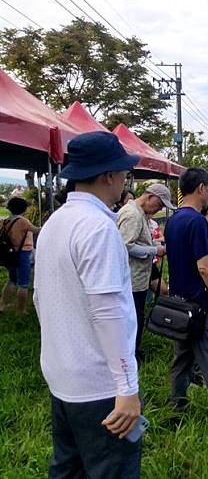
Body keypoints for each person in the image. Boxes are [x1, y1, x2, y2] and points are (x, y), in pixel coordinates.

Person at [33, 131, 142, 477]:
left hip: (62, 375)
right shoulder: (98, 228)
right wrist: (126, 388)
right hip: (100, 386)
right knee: (111, 468)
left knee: (68, 467)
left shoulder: (54, 223)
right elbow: (109, 312)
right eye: (124, 173)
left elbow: (40, 297)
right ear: (109, 175)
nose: (126, 180)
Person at [164, 168, 208, 425]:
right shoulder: (197, 222)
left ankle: (177, 410)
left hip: (178, 305)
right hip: (202, 306)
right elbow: (205, 267)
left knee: (182, 360)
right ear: (201, 189)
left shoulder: (173, 220)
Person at [117, 184, 174, 362]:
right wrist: (153, 250)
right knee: (133, 317)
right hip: (132, 278)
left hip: (139, 276)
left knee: (137, 315)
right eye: (159, 204)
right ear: (149, 197)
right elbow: (125, 245)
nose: (160, 208)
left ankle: (135, 351)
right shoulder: (133, 215)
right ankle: (130, 355)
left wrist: (153, 244)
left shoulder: (139, 213)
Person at [0, 197, 39, 315]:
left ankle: (1, 305)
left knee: (12, 280)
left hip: (11, 254)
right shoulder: (23, 221)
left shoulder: (6, 221)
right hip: (23, 254)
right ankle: (21, 310)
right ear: (24, 209)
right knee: (23, 283)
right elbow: (36, 230)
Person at [148, 217, 168, 296]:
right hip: (137, 266)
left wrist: (155, 242)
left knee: (163, 291)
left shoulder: (153, 223)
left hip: (150, 263)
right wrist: (155, 249)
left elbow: (163, 237)